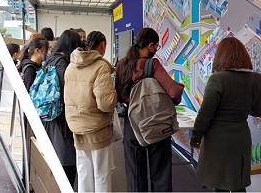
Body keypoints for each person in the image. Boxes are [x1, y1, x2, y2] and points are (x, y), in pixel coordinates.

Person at [115, 27, 183, 192]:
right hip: (156, 123)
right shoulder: (152, 65)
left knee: (135, 174)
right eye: (156, 47)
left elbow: (120, 95)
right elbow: (173, 91)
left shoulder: (122, 64)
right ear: (150, 45)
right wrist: (179, 88)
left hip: (132, 124)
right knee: (160, 172)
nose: (155, 50)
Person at [192, 37, 261, 192]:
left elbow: (205, 113)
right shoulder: (255, 79)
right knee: (238, 184)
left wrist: (195, 137)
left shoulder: (218, 79)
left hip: (218, 141)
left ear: (221, 56)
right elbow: (257, 111)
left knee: (220, 184)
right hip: (241, 138)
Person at [65, 31, 118, 192]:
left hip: (76, 126)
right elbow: (106, 104)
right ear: (102, 45)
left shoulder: (71, 65)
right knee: (102, 172)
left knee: (83, 171)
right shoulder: (101, 66)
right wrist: (116, 96)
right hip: (97, 128)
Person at [44, 30, 82, 186]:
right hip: (62, 120)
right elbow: (67, 90)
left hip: (51, 116)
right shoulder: (62, 63)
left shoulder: (51, 59)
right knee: (67, 162)